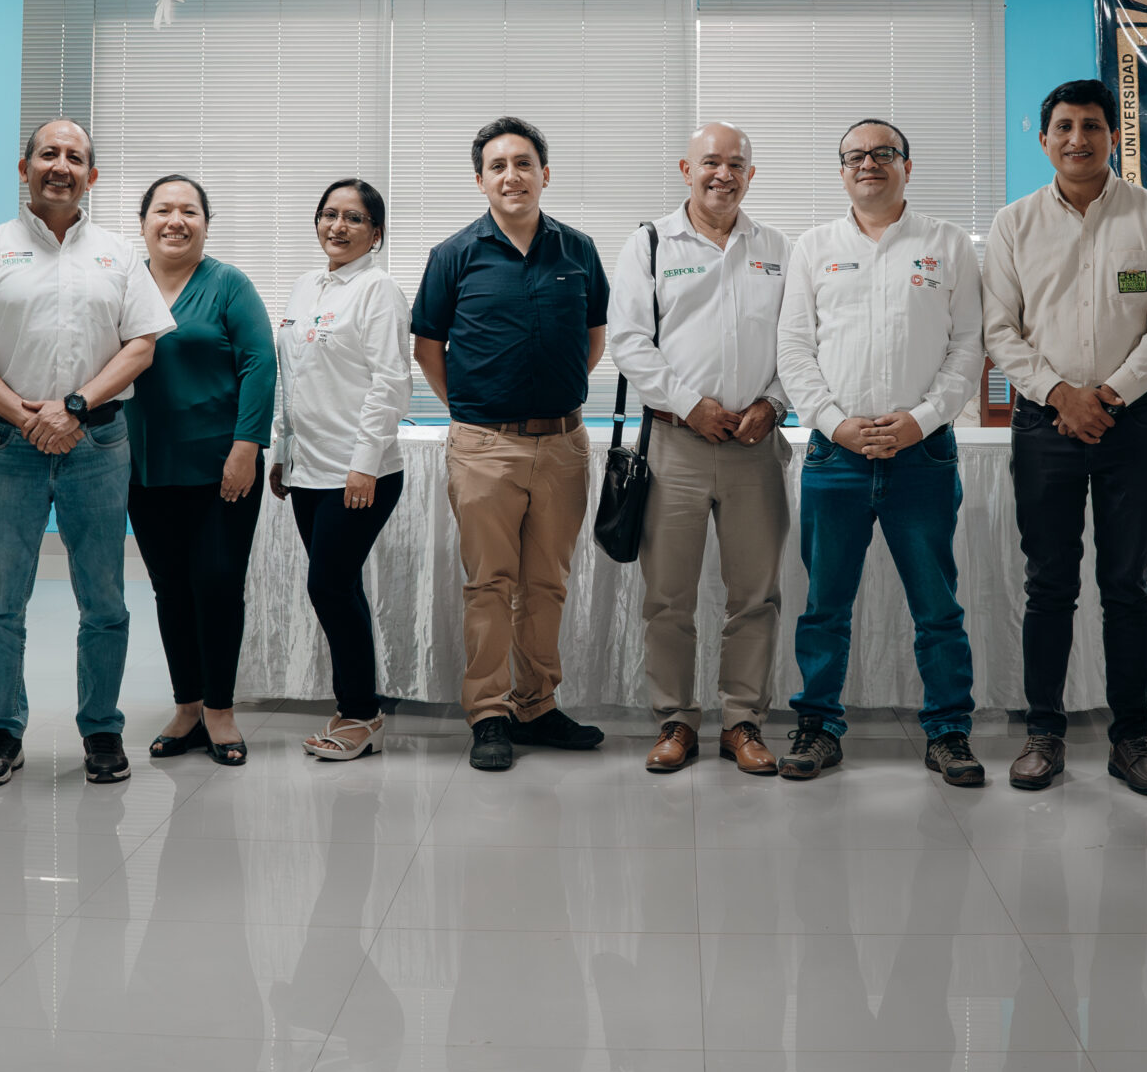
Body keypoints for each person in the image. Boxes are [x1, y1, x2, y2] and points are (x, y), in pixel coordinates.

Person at [0, 118, 169, 789]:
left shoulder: (119, 255)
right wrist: (26, 416)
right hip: (8, 442)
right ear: (24, 166)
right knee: (3, 599)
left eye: (76, 156)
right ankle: (1, 732)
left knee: (105, 596)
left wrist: (73, 408)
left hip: (97, 440)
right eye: (48, 154)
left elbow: (141, 346)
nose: (61, 165)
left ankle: (101, 729)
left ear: (92, 175)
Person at [982, 79, 1147, 796]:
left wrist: (1104, 396)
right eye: (1064, 127)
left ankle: (1131, 739)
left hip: (1130, 424)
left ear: (1112, 137)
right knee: (1048, 585)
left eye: (1092, 126)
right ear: (1043, 140)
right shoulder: (1013, 224)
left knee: (1126, 586)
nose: (1078, 139)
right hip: (1045, 424)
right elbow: (1000, 331)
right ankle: (1044, 734)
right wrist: (1061, 397)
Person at [775, 119, 987, 787]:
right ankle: (817, 727)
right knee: (825, 605)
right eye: (856, 157)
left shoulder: (947, 244)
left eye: (883, 154)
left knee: (937, 606)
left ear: (907, 165)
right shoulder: (814, 248)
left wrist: (920, 421)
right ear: (842, 172)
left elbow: (967, 349)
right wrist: (835, 424)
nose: (870, 164)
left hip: (921, 458)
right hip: (834, 458)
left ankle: (949, 732)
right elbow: (794, 352)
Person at [411, 115, 611, 773]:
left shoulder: (577, 251)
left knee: (547, 582)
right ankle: (490, 713)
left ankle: (537, 705)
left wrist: (557, 395)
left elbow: (593, 338)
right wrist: (471, 414)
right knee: (491, 585)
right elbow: (428, 347)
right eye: (497, 166)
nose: (511, 175)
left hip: (563, 444)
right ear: (480, 181)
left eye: (523, 163)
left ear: (544, 174)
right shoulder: (453, 255)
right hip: (483, 447)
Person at [607, 122, 792, 777]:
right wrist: (691, 404)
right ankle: (675, 720)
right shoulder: (651, 243)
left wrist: (772, 403)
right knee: (668, 596)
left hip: (755, 449)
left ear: (750, 173)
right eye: (710, 163)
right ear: (686, 170)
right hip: (676, 447)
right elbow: (629, 341)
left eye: (735, 164)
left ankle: (742, 721)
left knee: (756, 596)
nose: (723, 174)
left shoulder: (776, 248)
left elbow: (799, 345)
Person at [127, 174, 276, 769]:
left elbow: (260, 364)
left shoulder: (228, 285)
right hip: (144, 468)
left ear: (205, 223)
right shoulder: (124, 282)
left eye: (189, 210)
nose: (175, 220)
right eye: (163, 209)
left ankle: (220, 710)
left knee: (216, 584)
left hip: (223, 469)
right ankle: (186, 705)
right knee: (169, 591)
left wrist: (247, 446)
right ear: (144, 222)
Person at [271, 179, 414, 762]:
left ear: (375, 233)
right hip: (308, 470)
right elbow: (293, 378)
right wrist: (282, 452)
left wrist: (364, 466)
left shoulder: (378, 290)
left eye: (353, 218)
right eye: (329, 214)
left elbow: (391, 382)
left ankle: (361, 713)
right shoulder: (308, 286)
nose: (338, 226)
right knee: (339, 585)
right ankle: (356, 704)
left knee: (327, 585)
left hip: (360, 473)